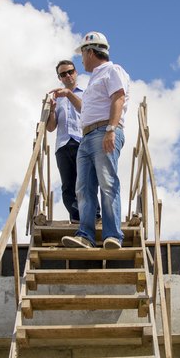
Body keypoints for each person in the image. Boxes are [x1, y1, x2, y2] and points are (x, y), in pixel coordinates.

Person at [60, 31, 130, 250]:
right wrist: (68, 95)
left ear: (90, 52)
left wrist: (111, 129)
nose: (81, 60)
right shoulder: (93, 81)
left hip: (104, 132)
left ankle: (113, 236)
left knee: (107, 184)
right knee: (83, 187)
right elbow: (86, 110)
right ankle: (85, 236)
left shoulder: (112, 70)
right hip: (87, 135)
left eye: (82, 54)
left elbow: (118, 97)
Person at [46, 60, 84, 223]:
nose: (67, 76)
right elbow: (50, 127)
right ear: (59, 77)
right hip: (62, 144)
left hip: (82, 140)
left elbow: (86, 111)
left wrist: (69, 94)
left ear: (76, 72)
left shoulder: (87, 93)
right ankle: (76, 218)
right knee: (68, 185)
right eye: (63, 74)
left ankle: (94, 215)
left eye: (70, 72)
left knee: (86, 181)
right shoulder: (56, 98)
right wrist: (52, 110)